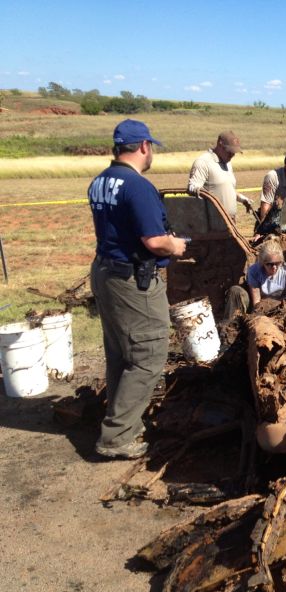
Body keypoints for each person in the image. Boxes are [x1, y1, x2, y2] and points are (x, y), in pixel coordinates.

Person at [89, 119, 187, 459]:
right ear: (144, 146)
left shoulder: (101, 180)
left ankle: (121, 422)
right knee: (147, 356)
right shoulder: (138, 186)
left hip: (106, 271)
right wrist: (175, 247)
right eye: (151, 147)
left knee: (120, 353)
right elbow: (154, 240)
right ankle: (117, 437)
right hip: (133, 279)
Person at [223, 239, 286, 320]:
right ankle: (229, 326)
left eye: (277, 263)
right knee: (235, 291)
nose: (274, 267)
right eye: (270, 264)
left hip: (282, 307)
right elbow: (256, 303)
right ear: (262, 262)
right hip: (261, 307)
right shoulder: (254, 271)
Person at [188, 131, 253, 221]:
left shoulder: (227, 163)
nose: (232, 155)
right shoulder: (203, 162)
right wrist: (197, 190)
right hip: (213, 223)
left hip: (230, 222)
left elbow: (225, 189)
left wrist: (242, 199)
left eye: (234, 152)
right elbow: (192, 188)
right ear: (220, 145)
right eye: (229, 151)